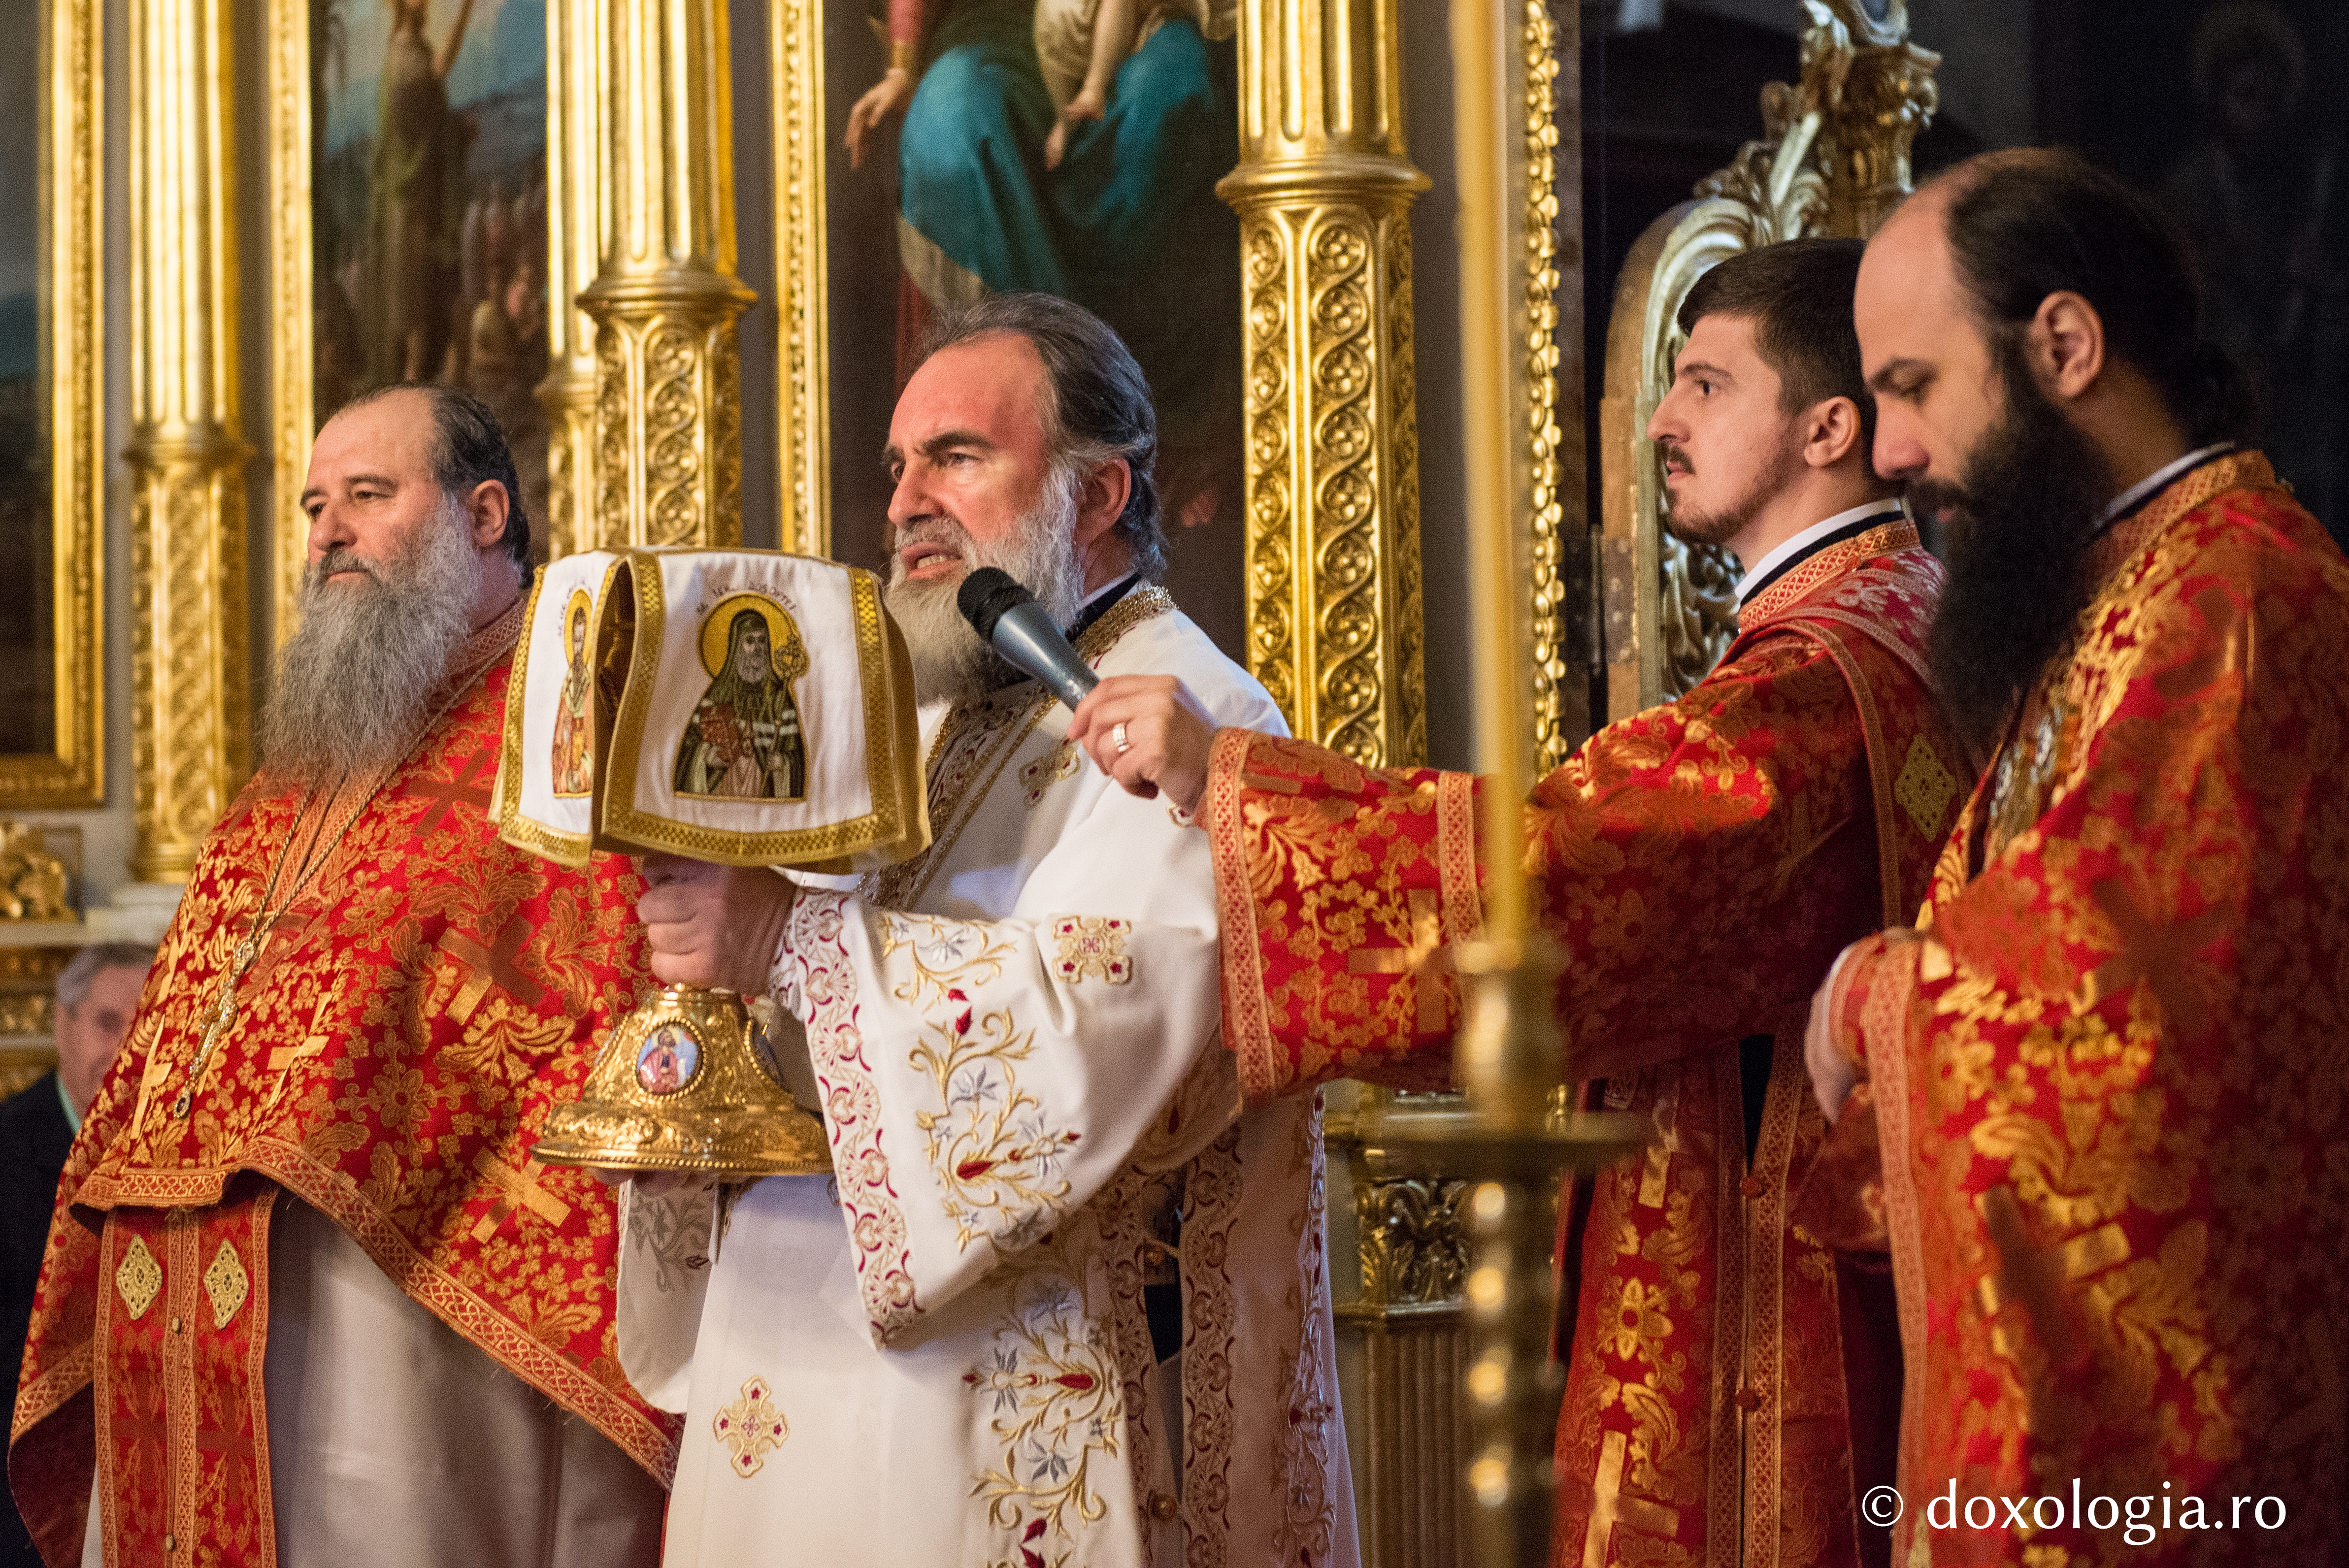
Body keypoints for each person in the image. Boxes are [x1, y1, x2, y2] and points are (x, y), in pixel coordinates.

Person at [1070, 239, 1973, 1568]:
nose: (1661, 422)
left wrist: (1232, 779)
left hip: (1777, 1311)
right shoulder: (1907, 626)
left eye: (1708, 385)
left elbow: (1573, 875)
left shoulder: (1822, 678)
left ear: (1828, 428)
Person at [611, 293, 1356, 1566]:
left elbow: (1096, 1018)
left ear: (1097, 491)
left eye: (956, 457)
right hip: (789, 1358)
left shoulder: (1202, 717)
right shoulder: (914, 707)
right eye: (898, 467)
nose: (906, 502)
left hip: (998, 1394)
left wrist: (784, 941)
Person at [9, 387, 670, 1566]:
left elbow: (597, 1009)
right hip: (189, 1301)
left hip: (414, 1331)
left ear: (482, 515)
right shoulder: (303, 765)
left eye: (368, 494)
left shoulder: (570, 734)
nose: (328, 532)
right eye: (317, 505)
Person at [1804, 147, 2348, 1567]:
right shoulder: (2125, 594)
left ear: (2062, 344)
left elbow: (2127, 1006)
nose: (1890, 452)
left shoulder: (2240, 596)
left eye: (1914, 386)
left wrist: (1873, 997)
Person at [0, 945, 152, 1568]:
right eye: (107, 1023)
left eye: (146, 1029)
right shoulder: (8, 1151)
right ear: (62, 1024)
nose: (127, 1053)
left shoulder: (185, 1156)